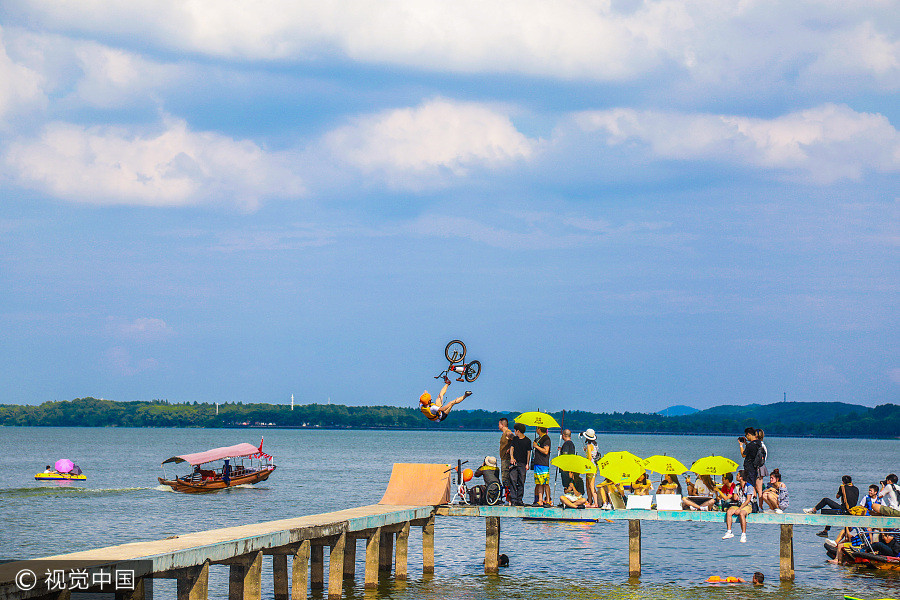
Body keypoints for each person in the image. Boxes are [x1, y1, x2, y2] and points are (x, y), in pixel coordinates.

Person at [723, 470, 755, 543]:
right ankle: (729, 531)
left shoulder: (749, 486)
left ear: (741, 477)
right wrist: (734, 495)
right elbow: (735, 498)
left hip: (747, 505)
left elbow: (748, 500)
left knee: (741, 513)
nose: (736, 476)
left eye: (738, 475)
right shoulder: (737, 486)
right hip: (739, 504)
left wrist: (740, 509)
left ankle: (743, 534)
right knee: (729, 511)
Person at [508, 423, 531, 506]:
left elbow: (528, 453)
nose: (514, 432)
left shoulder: (527, 441)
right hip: (514, 463)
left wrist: (527, 464)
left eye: (515, 430)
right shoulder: (515, 439)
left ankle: (519, 499)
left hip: (523, 463)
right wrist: (511, 457)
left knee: (521, 481)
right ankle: (513, 499)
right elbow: (512, 448)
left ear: (518, 431)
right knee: (513, 480)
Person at [738, 428, 762, 508]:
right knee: (753, 486)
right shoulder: (758, 443)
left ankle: (753, 504)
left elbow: (743, 454)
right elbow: (752, 450)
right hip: (755, 468)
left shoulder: (751, 445)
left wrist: (741, 445)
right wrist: (746, 443)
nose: (746, 437)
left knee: (750, 486)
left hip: (750, 468)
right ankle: (754, 503)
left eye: (746, 436)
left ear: (749, 434)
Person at [557, 429, 584, 494]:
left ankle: (568, 499)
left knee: (566, 485)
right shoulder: (571, 444)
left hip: (566, 468)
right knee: (569, 484)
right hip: (570, 468)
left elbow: (565, 456)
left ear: (563, 435)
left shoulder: (566, 444)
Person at [531, 426, 552, 507]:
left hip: (543, 464)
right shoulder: (538, 439)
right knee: (539, 482)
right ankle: (540, 500)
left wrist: (536, 446)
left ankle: (548, 500)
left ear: (539, 429)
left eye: (537, 428)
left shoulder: (546, 439)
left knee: (545, 483)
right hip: (537, 463)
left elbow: (546, 451)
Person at [580, 429, 599, 507]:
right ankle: (590, 501)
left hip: (590, 467)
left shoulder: (589, 445)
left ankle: (596, 503)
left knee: (591, 485)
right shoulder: (595, 445)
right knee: (588, 484)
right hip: (594, 466)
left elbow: (589, 458)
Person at [498, 418, 514, 495]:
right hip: (503, 459)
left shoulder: (508, 433)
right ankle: (507, 495)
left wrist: (510, 448)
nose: (498, 426)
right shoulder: (503, 434)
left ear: (503, 425)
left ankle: (509, 497)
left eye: (499, 424)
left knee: (506, 478)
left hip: (506, 459)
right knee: (504, 478)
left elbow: (514, 439)